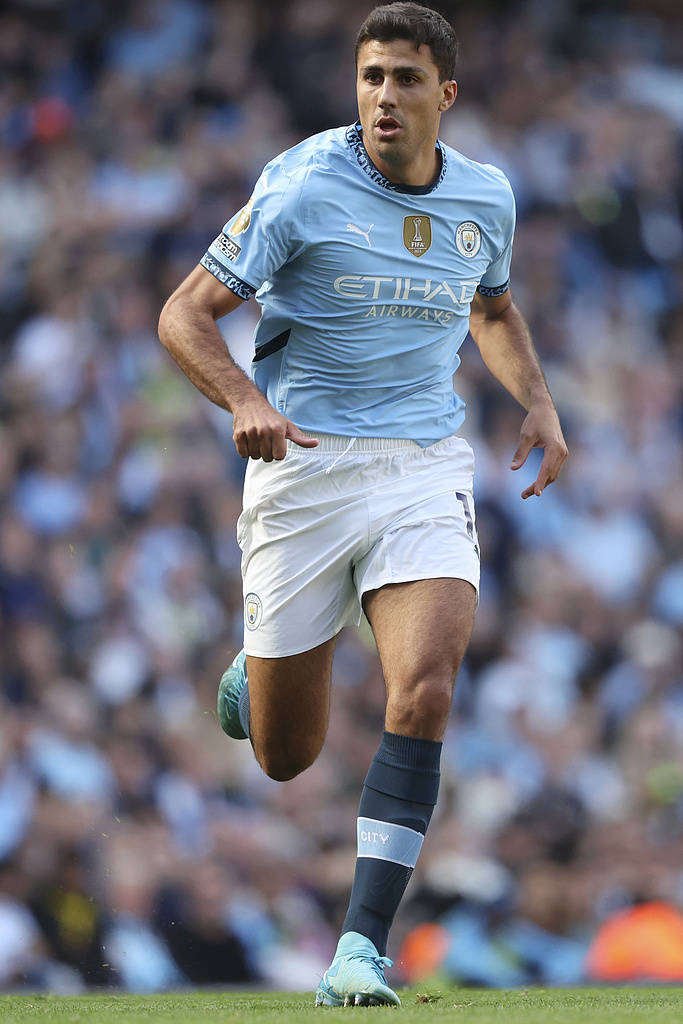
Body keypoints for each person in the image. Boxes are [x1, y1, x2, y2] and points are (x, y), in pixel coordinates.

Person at [158, 1, 567, 1007]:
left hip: (423, 463)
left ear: (445, 94)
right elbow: (184, 314)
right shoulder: (301, 184)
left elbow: (492, 306)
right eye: (371, 76)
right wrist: (244, 400)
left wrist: (538, 400)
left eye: (405, 79)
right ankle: (260, 666)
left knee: (423, 688)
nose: (384, 96)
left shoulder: (485, 196)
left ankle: (358, 948)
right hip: (303, 469)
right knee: (285, 756)